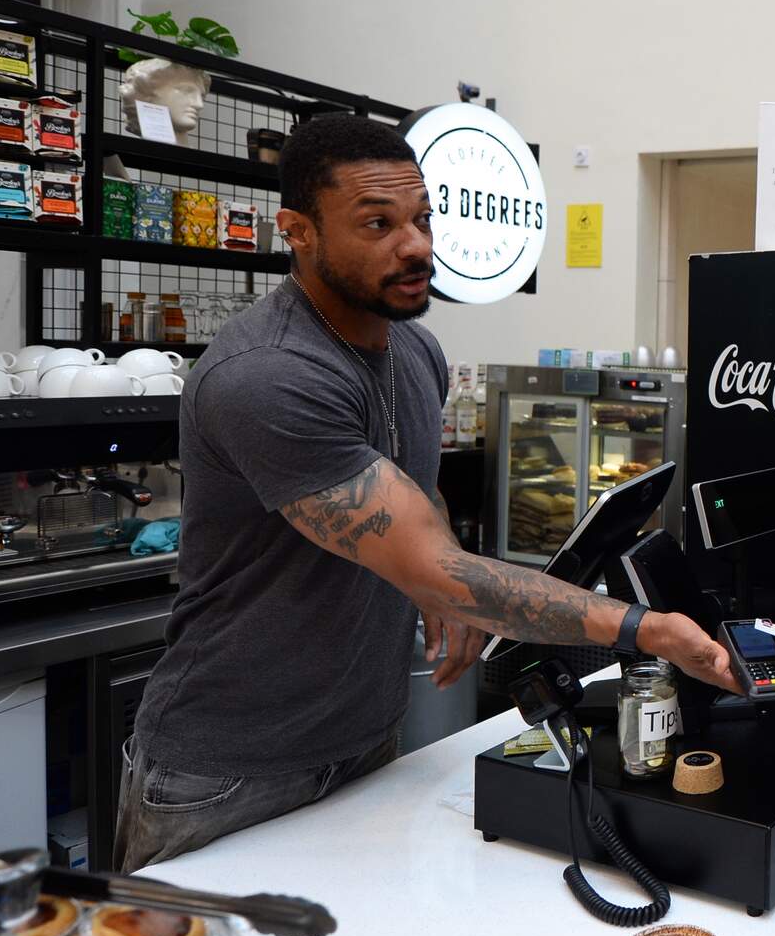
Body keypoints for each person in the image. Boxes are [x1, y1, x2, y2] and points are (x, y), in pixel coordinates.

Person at [117, 114, 735, 873]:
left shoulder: (415, 347)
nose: (415, 246)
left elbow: (417, 491)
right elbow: (434, 565)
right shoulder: (269, 375)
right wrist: (648, 630)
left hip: (366, 739)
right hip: (228, 771)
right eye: (377, 224)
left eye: (421, 219)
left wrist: (438, 574)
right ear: (298, 232)